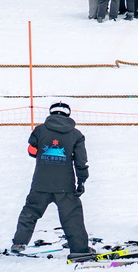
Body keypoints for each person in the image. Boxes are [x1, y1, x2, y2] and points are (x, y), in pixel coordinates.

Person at [9, 103, 93, 261]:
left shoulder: (40, 130)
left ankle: (19, 243)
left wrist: (43, 154)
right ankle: (80, 249)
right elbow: (81, 162)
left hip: (41, 183)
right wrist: (81, 181)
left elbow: (31, 151)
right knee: (72, 217)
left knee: (30, 213)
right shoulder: (76, 135)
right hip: (65, 185)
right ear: (68, 115)